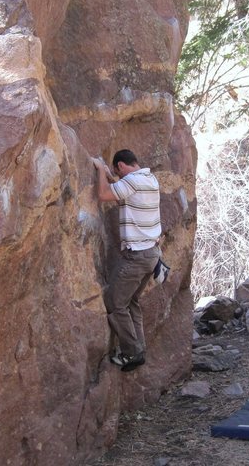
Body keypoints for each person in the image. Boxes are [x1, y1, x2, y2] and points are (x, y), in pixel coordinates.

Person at [92, 149, 161, 372]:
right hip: (151, 254)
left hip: (137, 256)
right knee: (131, 301)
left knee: (115, 302)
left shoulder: (131, 181)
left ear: (121, 166)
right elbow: (122, 190)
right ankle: (139, 348)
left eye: (116, 172)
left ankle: (132, 353)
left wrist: (101, 171)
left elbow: (103, 195)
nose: (117, 177)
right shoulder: (149, 179)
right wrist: (112, 177)